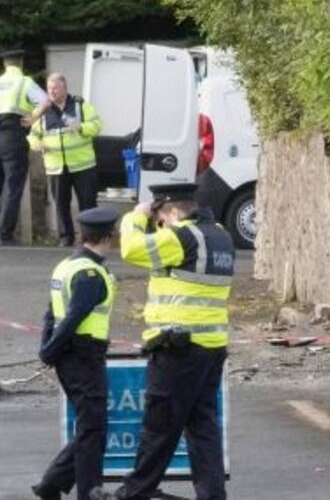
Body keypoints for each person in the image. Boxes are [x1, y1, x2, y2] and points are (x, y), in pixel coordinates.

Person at [91, 183, 234, 500]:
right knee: (203, 426)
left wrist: (135, 217)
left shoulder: (181, 236)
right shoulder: (221, 234)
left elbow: (131, 250)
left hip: (178, 346)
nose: (160, 225)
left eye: (160, 218)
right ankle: (212, 494)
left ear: (169, 210)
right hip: (211, 346)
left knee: (159, 425)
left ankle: (134, 491)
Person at [33, 207, 120, 500]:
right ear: (107, 237)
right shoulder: (89, 274)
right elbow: (73, 318)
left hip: (71, 355)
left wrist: (47, 347)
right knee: (93, 426)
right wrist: (49, 351)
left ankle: (53, 482)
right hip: (83, 355)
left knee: (90, 423)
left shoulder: (65, 266)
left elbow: (50, 313)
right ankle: (89, 491)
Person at [0, 48, 49, 245]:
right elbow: (45, 101)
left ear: (5, 64)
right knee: (13, 187)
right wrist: (33, 117)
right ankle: (5, 233)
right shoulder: (24, 82)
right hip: (14, 135)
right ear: (20, 63)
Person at [29, 73, 102, 247]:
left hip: (83, 165)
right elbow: (32, 135)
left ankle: (90, 238)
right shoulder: (42, 110)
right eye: (49, 88)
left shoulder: (80, 104)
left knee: (88, 203)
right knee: (61, 205)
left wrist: (81, 127)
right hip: (56, 167)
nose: (52, 92)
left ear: (65, 88)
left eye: (55, 88)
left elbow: (97, 125)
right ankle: (65, 237)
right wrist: (37, 144)